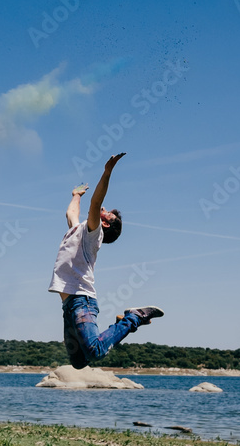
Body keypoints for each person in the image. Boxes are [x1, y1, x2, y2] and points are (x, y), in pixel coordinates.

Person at [49, 152, 163, 369]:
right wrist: (76, 195)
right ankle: (120, 324)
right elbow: (71, 213)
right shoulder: (79, 230)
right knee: (78, 362)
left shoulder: (93, 233)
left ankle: (134, 318)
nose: (103, 208)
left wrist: (107, 172)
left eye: (107, 213)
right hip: (69, 305)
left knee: (95, 351)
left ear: (105, 225)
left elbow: (96, 201)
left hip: (82, 300)